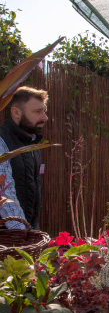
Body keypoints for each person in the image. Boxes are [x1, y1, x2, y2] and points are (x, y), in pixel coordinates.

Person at [0, 86, 49, 230]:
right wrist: (23, 233)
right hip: (8, 238)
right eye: (37, 112)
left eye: (44, 111)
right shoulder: (2, 142)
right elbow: (4, 195)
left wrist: (33, 229)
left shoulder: (32, 143)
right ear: (16, 112)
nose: (44, 117)